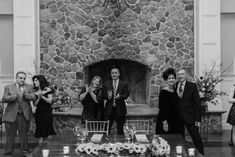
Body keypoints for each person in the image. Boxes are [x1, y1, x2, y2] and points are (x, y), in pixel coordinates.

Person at [2, 71, 37, 156]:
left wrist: (25, 95)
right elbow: (4, 98)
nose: (23, 80)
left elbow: (33, 97)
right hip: (11, 115)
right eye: (21, 78)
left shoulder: (28, 87)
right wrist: (15, 96)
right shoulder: (8, 87)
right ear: (16, 78)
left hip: (23, 115)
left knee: (24, 135)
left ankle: (25, 152)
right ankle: (8, 152)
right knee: (10, 135)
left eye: (24, 78)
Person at [177, 68, 204, 155]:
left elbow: (197, 104)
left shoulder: (192, 86)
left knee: (196, 138)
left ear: (186, 75)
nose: (180, 76)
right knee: (179, 139)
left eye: (182, 74)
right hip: (178, 118)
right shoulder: (175, 85)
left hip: (190, 117)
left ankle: (201, 154)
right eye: (179, 74)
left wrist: (198, 119)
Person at [155, 67, 184, 135]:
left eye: (173, 78)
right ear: (166, 80)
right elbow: (162, 109)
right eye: (169, 78)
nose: (171, 80)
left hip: (175, 120)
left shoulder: (175, 91)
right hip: (166, 121)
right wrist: (165, 123)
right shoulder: (163, 93)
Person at [103, 67, 129, 135]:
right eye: (112, 73)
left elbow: (126, 95)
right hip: (109, 109)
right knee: (106, 129)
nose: (114, 74)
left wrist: (120, 96)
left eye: (115, 73)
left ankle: (121, 144)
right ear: (111, 74)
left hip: (120, 109)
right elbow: (104, 95)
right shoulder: (106, 83)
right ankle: (105, 144)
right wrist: (108, 96)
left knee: (120, 130)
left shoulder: (124, 83)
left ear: (119, 74)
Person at [32, 75, 56, 144]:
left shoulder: (47, 89)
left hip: (47, 112)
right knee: (40, 131)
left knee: (48, 130)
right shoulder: (34, 91)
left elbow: (50, 101)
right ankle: (39, 148)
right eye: (34, 80)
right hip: (39, 113)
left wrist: (42, 96)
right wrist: (39, 98)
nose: (34, 82)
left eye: (36, 80)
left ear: (40, 81)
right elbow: (35, 104)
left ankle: (49, 147)